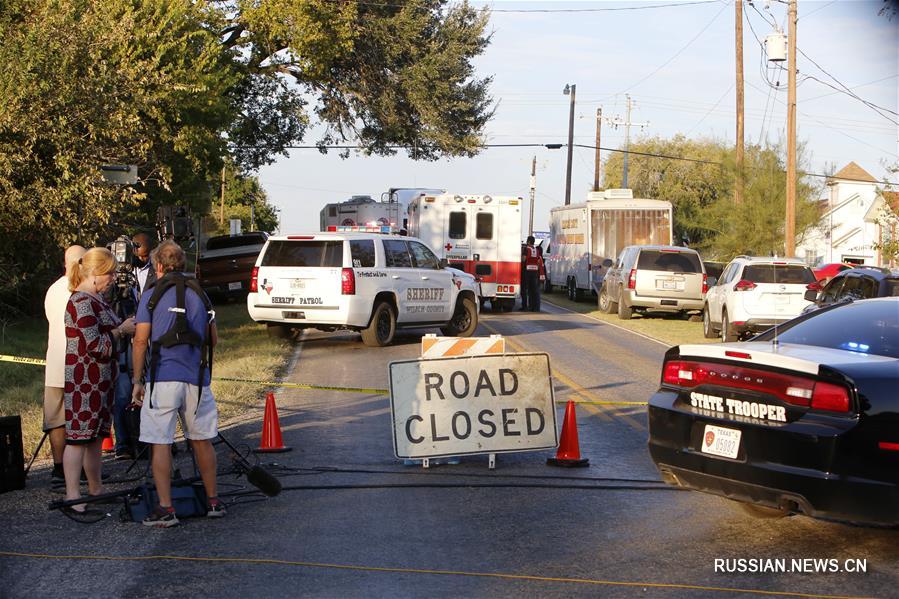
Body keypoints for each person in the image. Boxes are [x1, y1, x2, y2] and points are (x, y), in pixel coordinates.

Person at [131, 240, 224, 527]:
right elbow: (213, 339)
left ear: (158, 265)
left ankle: (166, 508)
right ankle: (212, 501)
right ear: (182, 264)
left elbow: (141, 340)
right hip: (196, 379)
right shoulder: (200, 294)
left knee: (161, 442)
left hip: (162, 378)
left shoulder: (151, 296)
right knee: (202, 441)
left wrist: (137, 380)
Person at [62, 248, 136, 513]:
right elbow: (94, 344)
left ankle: (95, 490)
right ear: (95, 273)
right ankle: (73, 496)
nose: (114, 278)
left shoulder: (98, 299)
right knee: (78, 438)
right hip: (84, 381)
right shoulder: (81, 302)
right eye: (110, 273)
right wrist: (122, 330)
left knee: (95, 437)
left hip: (102, 381)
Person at [43, 245, 86, 487]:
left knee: (56, 419)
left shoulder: (53, 289)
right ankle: (77, 469)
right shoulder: (78, 290)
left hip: (56, 363)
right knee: (79, 418)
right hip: (75, 363)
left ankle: (59, 467)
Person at [521, 235, 545, 312]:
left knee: (524, 290)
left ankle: (525, 306)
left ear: (528, 241)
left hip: (527, 272)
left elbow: (524, 259)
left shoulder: (526, 249)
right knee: (534, 291)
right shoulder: (536, 250)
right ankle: (534, 307)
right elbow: (538, 261)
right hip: (534, 273)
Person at [132, 232, 156, 297]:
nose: (141, 258)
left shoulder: (157, 270)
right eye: (138, 255)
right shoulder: (126, 268)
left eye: (145, 256)